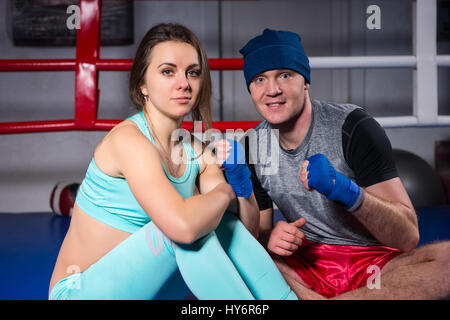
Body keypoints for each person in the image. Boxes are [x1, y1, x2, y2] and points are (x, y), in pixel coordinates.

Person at [48, 23, 297, 300]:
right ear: (142, 84)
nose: (184, 84)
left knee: (218, 222)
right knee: (183, 231)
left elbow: (244, 234)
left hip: (150, 291)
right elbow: (183, 228)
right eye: (168, 71)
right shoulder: (128, 142)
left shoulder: (197, 152)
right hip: (81, 293)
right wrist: (226, 192)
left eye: (193, 72)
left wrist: (241, 185)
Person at [239, 28, 450, 299]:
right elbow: (259, 237)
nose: (272, 90)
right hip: (306, 264)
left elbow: (407, 237)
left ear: (305, 81)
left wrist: (347, 191)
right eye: (259, 79)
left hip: (375, 265)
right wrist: (271, 238)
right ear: (251, 89)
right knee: (241, 261)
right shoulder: (252, 146)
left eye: (285, 75)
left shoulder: (353, 127)